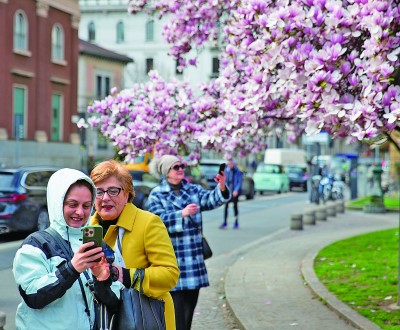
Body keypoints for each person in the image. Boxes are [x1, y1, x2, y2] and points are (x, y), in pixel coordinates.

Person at [13, 168, 118, 330]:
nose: (80, 212)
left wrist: (102, 280)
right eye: (72, 204)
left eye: (86, 205)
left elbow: (115, 302)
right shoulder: (36, 245)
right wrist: (72, 268)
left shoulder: (100, 246)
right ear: (57, 202)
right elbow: (33, 297)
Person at [89, 159, 180, 330]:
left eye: (113, 191)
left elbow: (170, 275)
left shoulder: (148, 223)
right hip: (104, 319)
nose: (105, 198)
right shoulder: (87, 230)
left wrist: (123, 275)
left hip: (146, 318)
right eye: (98, 192)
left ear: (127, 194)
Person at [147, 154, 231, 330]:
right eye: (175, 167)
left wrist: (221, 187)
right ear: (166, 172)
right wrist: (181, 214)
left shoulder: (193, 189)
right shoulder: (157, 194)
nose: (180, 170)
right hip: (172, 263)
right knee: (175, 314)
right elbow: (156, 223)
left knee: (188, 313)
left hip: (193, 262)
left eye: (182, 166)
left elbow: (211, 200)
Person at [220, 159, 243, 229]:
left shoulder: (238, 171)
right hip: (228, 191)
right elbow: (224, 181)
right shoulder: (227, 171)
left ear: (233, 164)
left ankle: (236, 222)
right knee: (226, 206)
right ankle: (225, 222)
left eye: (230, 164)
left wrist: (236, 190)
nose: (229, 165)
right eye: (228, 164)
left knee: (235, 207)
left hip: (234, 191)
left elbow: (239, 182)